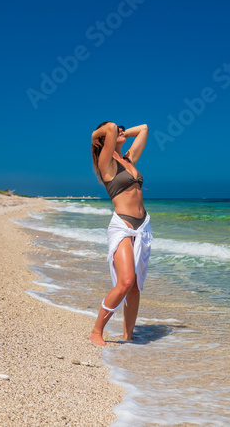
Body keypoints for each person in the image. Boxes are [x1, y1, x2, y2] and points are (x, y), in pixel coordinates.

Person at [89, 122, 153, 346]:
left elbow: (144, 129)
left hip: (142, 227)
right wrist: (98, 134)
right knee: (125, 282)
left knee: (135, 286)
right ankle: (97, 331)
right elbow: (109, 129)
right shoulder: (105, 162)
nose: (120, 130)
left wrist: (121, 132)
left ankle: (128, 337)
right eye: (116, 130)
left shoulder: (128, 160)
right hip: (122, 227)